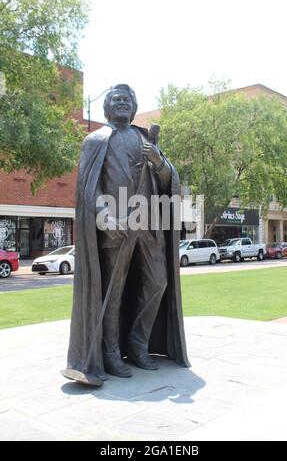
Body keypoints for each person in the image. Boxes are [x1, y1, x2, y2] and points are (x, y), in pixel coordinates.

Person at [62, 84, 189, 386]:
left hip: (148, 220)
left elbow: (168, 178)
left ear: (133, 107)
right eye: (116, 99)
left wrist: (160, 162)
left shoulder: (145, 138)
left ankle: (138, 343)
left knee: (158, 281)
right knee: (113, 292)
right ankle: (109, 353)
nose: (121, 103)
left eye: (126, 100)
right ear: (107, 107)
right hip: (116, 224)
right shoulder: (95, 141)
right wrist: (105, 217)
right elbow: (87, 189)